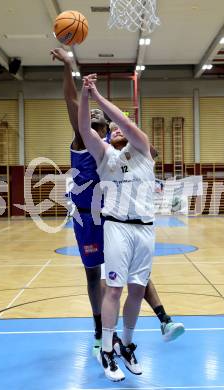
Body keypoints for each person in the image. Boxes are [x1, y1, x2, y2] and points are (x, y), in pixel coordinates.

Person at [50, 48, 184, 357]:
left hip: (113, 218)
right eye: (101, 123)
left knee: (134, 274)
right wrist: (69, 67)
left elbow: (152, 154)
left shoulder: (116, 150)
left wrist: (129, 143)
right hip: (87, 217)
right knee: (93, 277)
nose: (104, 126)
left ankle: (163, 318)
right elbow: (72, 105)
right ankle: (100, 330)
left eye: (106, 125)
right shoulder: (86, 143)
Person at [78, 73, 160, 381]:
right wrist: (87, 94)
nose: (114, 131)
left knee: (137, 291)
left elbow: (125, 124)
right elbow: (85, 128)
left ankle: (126, 345)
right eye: (110, 131)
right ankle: (108, 352)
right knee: (113, 289)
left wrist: (100, 98)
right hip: (117, 228)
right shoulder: (105, 156)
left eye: (117, 128)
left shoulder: (142, 150)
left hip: (146, 229)